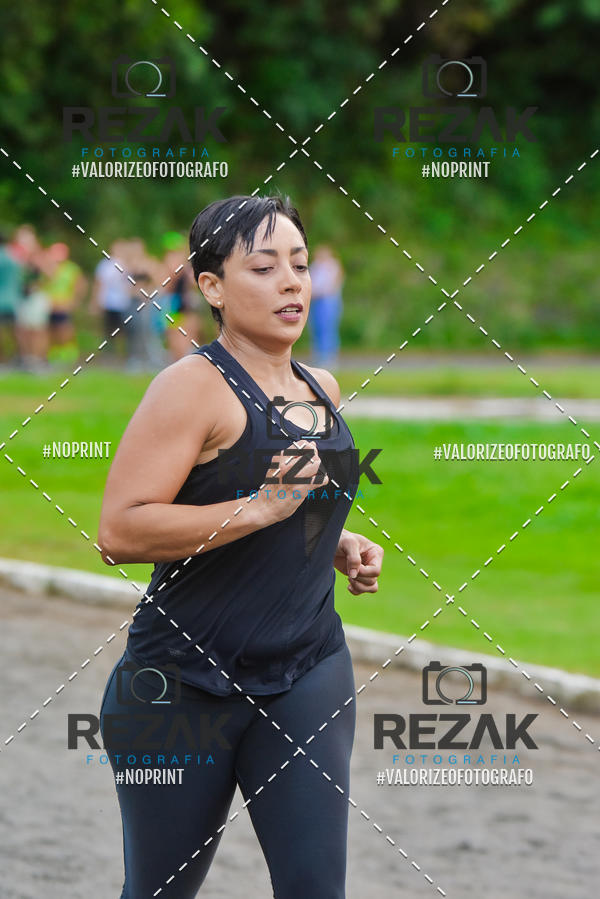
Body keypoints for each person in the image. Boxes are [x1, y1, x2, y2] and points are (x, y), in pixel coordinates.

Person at [97, 194, 384, 898]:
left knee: (316, 888)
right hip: (182, 685)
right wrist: (257, 510)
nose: (291, 283)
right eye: (264, 267)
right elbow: (120, 531)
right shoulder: (191, 388)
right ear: (213, 286)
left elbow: (293, 500)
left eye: (300, 265)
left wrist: (335, 538)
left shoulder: (321, 386)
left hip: (307, 668)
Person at [44, 242, 86, 364]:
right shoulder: (47, 267)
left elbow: (80, 285)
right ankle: (54, 352)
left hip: (64, 304)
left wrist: (75, 301)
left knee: (64, 328)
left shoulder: (71, 268)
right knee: (50, 329)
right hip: (50, 304)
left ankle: (68, 352)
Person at [308, 244, 344, 369]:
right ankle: (318, 356)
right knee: (316, 328)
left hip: (328, 300)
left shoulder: (332, 266)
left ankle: (329, 358)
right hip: (315, 301)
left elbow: (332, 284)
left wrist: (318, 291)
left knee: (328, 329)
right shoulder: (314, 266)